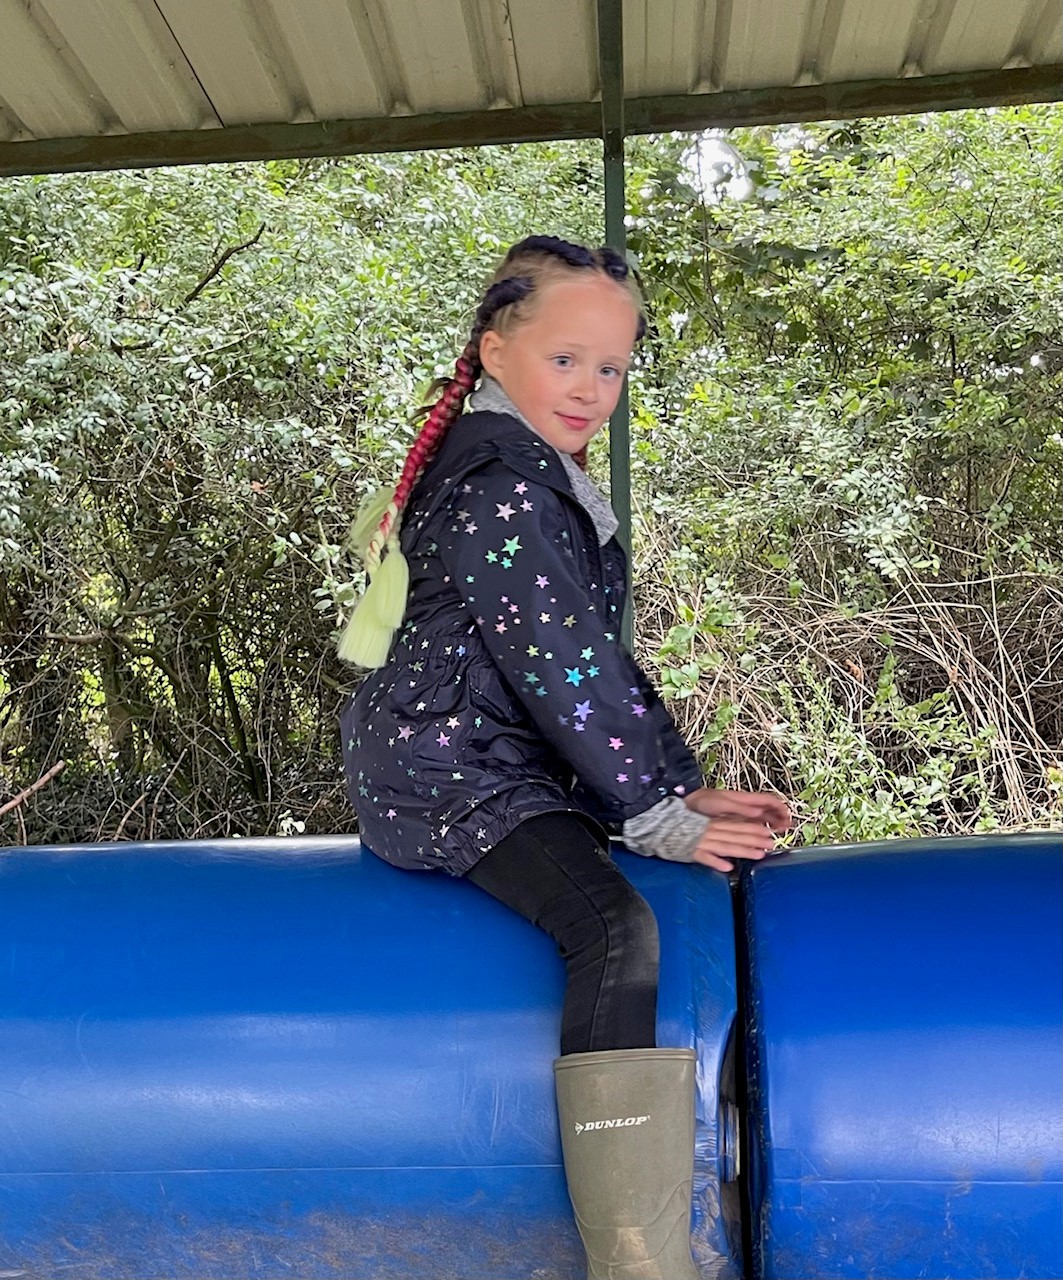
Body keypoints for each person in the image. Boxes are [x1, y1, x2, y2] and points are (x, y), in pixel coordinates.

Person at [339, 235, 791, 1278]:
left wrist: (671, 784)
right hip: (446, 769)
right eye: (566, 360)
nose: (593, 389)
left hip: (472, 744)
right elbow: (563, 665)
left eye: (613, 367)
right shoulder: (506, 485)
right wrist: (659, 811)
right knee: (614, 929)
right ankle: (637, 1259)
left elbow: (567, 665)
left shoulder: (513, 461)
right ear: (496, 352)